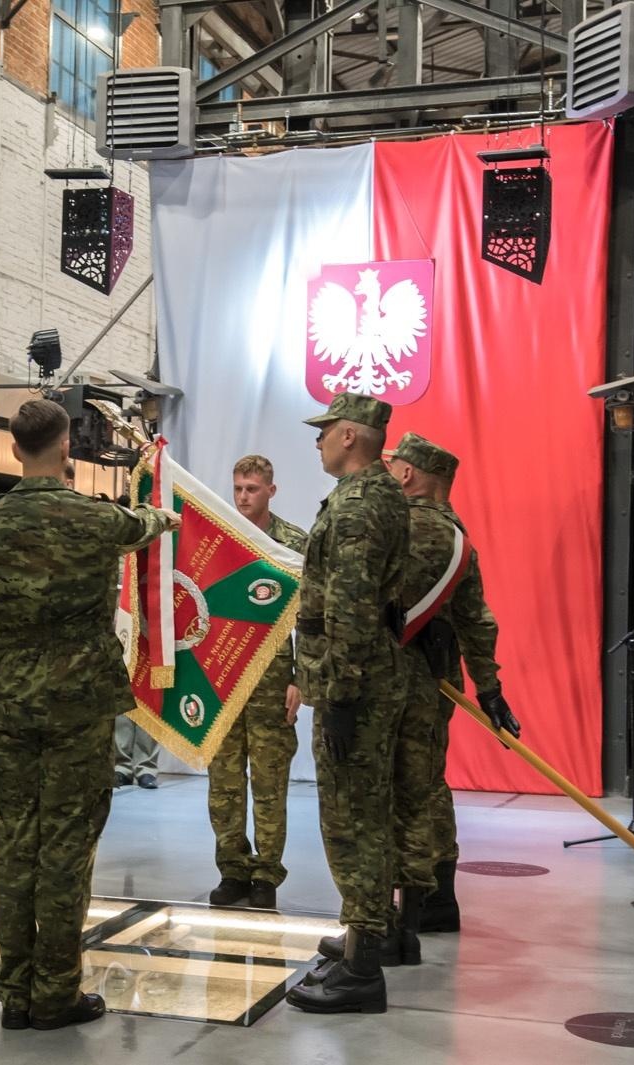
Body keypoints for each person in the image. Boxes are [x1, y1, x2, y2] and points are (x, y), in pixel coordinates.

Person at [0, 399, 176, 1030]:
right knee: (68, 845)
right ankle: (56, 991)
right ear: (67, 450)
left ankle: (16, 988)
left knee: (14, 841)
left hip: (13, 699)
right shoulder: (94, 520)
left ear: (15, 450)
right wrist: (165, 503)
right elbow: (152, 522)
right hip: (79, 701)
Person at [283, 392, 409, 1015]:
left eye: (325, 430)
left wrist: (337, 693)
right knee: (366, 813)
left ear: (352, 435)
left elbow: (353, 606)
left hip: (352, 683)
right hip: (363, 677)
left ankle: (361, 971)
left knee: (351, 820)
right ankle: (366, 933)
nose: (319, 440)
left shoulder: (360, 504)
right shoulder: (375, 495)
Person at [375, 433, 516, 955]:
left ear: (408, 475)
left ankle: (403, 910)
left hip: (399, 682)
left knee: (402, 792)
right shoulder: (458, 535)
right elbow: (476, 619)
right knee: (429, 785)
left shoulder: (412, 527)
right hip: (436, 682)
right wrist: (489, 686)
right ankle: (438, 900)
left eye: (394, 468)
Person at [206, 455, 308, 910]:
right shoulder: (219, 539)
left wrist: (302, 678)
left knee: (269, 782)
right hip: (224, 676)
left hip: (272, 678)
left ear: (271, 490)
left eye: (252, 488)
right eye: (238, 488)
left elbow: (312, 618)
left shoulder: (291, 544)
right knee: (224, 781)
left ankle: (267, 872)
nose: (243, 497)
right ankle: (233, 869)